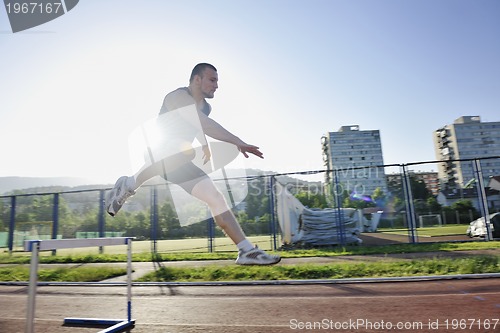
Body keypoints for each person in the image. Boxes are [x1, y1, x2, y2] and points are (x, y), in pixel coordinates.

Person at [106, 63, 280, 265]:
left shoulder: (206, 106)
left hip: (179, 161)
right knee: (178, 149)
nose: (216, 86)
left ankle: (246, 251)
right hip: (159, 151)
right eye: (212, 80)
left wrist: (204, 144)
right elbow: (201, 122)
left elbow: (197, 126)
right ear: (197, 79)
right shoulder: (177, 96)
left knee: (215, 197)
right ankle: (128, 184)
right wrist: (238, 142)